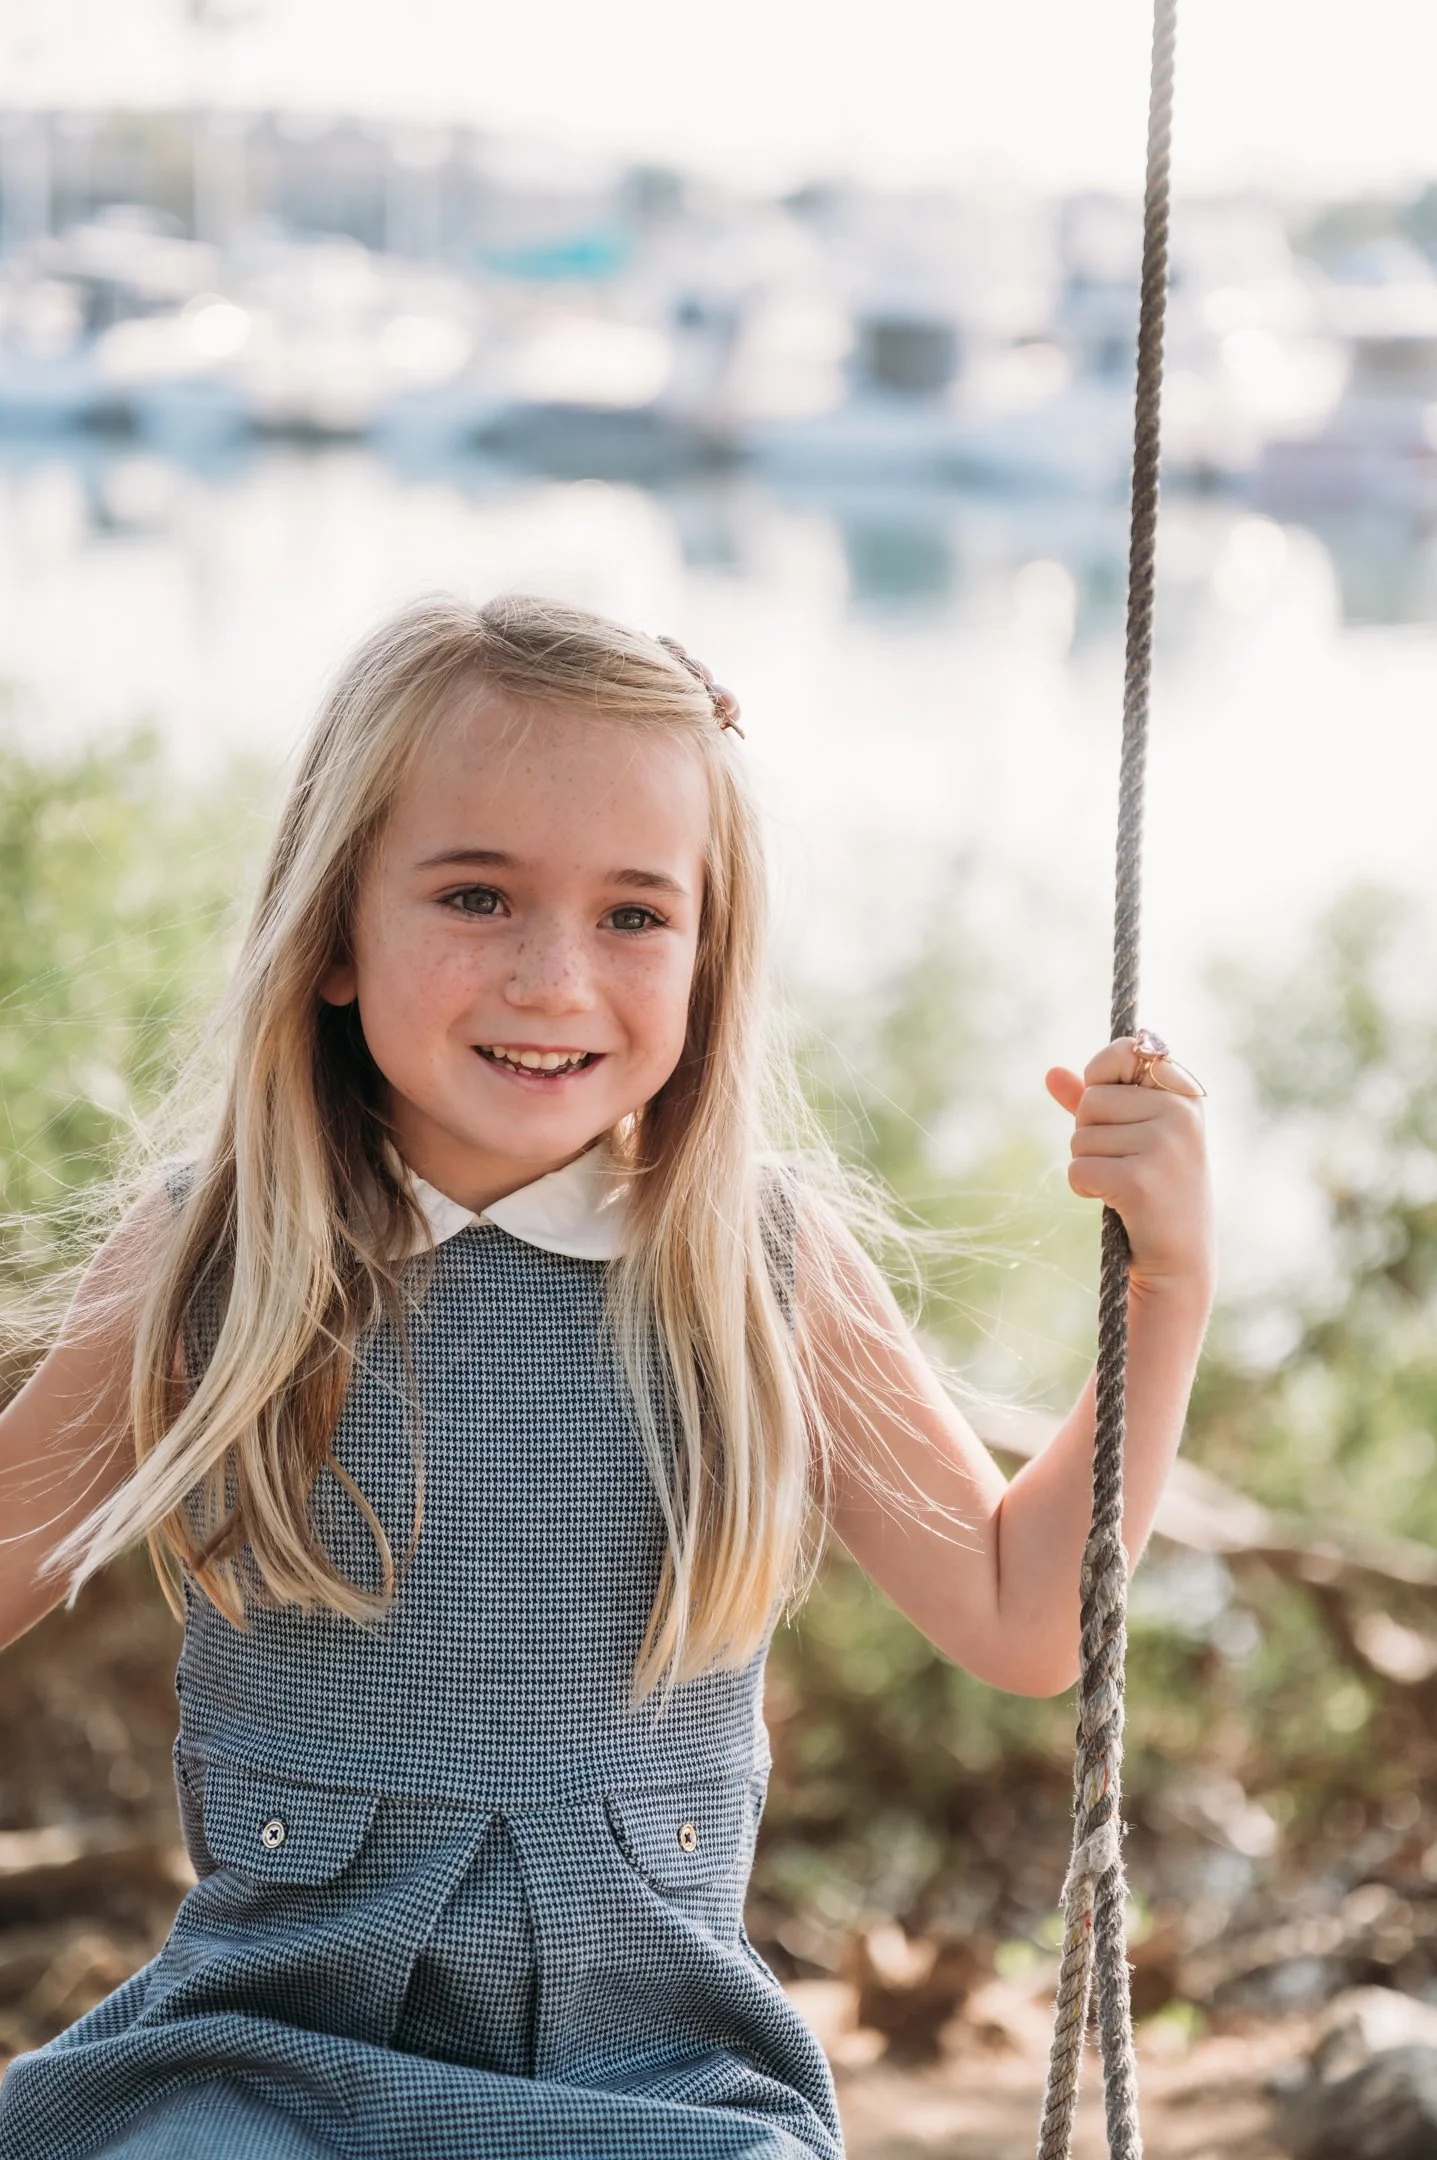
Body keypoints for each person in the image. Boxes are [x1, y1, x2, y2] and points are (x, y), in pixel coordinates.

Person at [0, 594, 1213, 2159]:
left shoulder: (754, 1267)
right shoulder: (213, 1260)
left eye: (636, 915)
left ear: (712, 958)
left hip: (659, 2097)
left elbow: (1026, 1615)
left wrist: (1169, 1282)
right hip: (257, 2078)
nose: (555, 978)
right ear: (335, 939)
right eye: (477, 896)